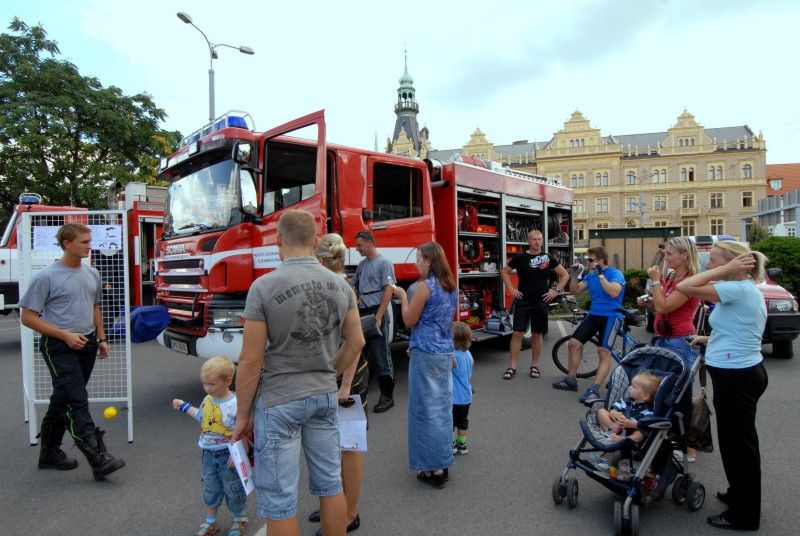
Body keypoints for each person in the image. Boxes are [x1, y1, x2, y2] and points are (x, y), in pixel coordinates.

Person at [231, 210, 364, 536]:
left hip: (279, 401)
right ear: (315, 241)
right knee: (330, 484)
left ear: (279, 241)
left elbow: (250, 361)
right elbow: (357, 340)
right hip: (322, 394)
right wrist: (328, 371)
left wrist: (242, 415)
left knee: (280, 499)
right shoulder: (340, 284)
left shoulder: (263, 287)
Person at [19, 223, 126, 480]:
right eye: (84, 242)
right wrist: (65, 335)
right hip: (58, 345)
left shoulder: (92, 273)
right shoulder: (46, 277)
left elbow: (95, 307)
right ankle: (98, 457)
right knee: (77, 399)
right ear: (67, 243)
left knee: (63, 398)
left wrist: (101, 338)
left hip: (87, 343)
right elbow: (27, 317)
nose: (90, 246)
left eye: (90, 241)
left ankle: (49, 453)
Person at [677, 241, 767, 532]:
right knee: (733, 442)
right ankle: (739, 493)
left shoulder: (736, 287)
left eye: (715, 261)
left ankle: (745, 515)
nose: (710, 267)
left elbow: (685, 286)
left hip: (737, 377)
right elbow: (738, 327)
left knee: (740, 447)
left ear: (733, 264)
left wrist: (726, 270)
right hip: (739, 372)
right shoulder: (741, 290)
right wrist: (707, 340)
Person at [307, 233, 365, 536]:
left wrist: (345, 386)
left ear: (319, 260)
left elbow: (354, 343)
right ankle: (334, 504)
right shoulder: (326, 286)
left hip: (348, 380)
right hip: (331, 377)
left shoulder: (344, 288)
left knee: (349, 448)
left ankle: (349, 513)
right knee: (330, 448)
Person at [390, 242, 458, 489]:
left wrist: (400, 297)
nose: (415, 263)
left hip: (425, 355)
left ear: (429, 261)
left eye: (418, 259)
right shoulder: (450, 286)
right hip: (444, 352)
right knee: (441, 410)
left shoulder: (423, 287)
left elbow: (409, 321)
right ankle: (441, 465)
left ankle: (432, 468)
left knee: (423, 412)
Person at [638, 236, 701, 461]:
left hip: (679, 341)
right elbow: (661, 305)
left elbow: (665, 305)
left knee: (680, 395)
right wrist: (650, 300)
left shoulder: (690, 281)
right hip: (663, 338)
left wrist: (655, 281)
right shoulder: (674, 277)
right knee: (661, 393)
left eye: (669, 254)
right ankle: (665, 436)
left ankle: (689, 449)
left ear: (684, 255)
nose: (665, 258)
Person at [171, 357, 248, 536]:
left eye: (212, 384)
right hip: (208, 454)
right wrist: (184, 406)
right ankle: (211, 521)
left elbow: (242, 429)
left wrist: (238, 453)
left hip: (227, 454)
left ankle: (239, 518)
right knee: (211, 487)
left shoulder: (235, 403)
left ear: (228, 381)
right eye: (204, 384)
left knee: (233, 487)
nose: (207, 388)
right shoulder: (208, 399)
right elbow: (201, 417)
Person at [552, 246, 625, 404]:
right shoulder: (591, 275)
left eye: (590, 260)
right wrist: (573, 276)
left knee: (603, 351)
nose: (587, 262)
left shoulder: (615, 273)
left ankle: (594, 389)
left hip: (612, 316)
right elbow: (575, 291)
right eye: (587, 259)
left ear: (601, 261)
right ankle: (571, 380)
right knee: (573, 343)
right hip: (594, 315)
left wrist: (601, 277)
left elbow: (614, 292)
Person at [500, 229, 570, 380]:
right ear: (528, 241)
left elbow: (565, 275)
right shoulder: (520, 257)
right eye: (534, 239)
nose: (537, 242)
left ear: (542, 241)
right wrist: (511, 289)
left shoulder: (547, 258)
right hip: (523, 301)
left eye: (540, 239)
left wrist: (556, 291)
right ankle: (512, 366)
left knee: (537, 334)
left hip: (541, 301)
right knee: (517, 333)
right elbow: (504, 272)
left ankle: (535, 366)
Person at [353, 230, 397, 413]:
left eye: (359, 245)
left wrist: (378, 317)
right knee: (361, 355)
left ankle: (387, 396)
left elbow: (388, 291)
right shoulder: (361, 265)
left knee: (381, 356)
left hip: (376, 313)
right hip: (363, 313)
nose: (357, 249)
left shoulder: (384, 263)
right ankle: (358, 392)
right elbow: (354, 287)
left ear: (370, 243)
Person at [596, 371, 660, 443]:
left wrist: (632, 424)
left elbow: (645, 424)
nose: (629, 387)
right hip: (617, 424)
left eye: (633, 386)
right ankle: (613, 427)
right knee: (601, 411)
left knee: (641, 434)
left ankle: (624, 439)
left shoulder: (648, 411)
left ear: (645, 396)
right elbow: (613, 409)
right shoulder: (625, 401)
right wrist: (613, 413)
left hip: (632, 431)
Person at [451, 321, 474, 455]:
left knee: (451, 422)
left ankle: (451, 444)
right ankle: (462, 443)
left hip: (454, 397)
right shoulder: (468, 354)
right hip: (466, 396)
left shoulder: (452, 356)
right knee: (463, 421)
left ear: (455, 340)